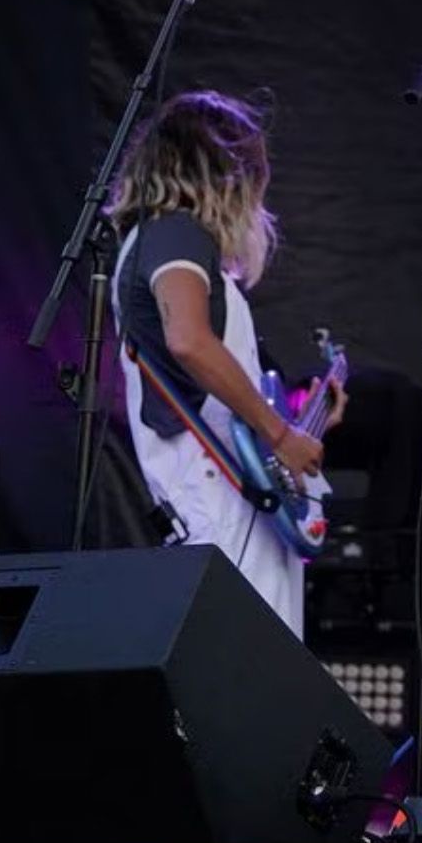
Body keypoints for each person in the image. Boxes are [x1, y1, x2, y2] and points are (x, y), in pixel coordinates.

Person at [108, 90, 343, 635]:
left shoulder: (170, 242)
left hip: (235, 492)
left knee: (258, 666)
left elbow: (221, 385)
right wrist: (281, 434)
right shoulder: (174, 232)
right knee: (246, 665)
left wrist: (302, 419)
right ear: (224, 173)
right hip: (218, 493)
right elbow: (189, 340)